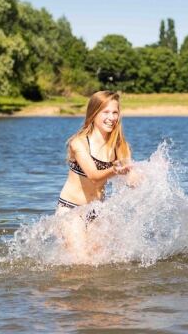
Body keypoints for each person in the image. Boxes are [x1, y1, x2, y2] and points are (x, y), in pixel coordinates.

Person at [56, 90, 133, 261]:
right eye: (106, 112)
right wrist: (114, 169)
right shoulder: (79, 142)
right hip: (71, 209)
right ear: (94, 113)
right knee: (81, 264)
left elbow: (131, 178)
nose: (111, 117)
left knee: (101, 265)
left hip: (96, 211)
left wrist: (142, 177)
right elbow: (93, 176)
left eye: (115, 112)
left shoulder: (120, 146)